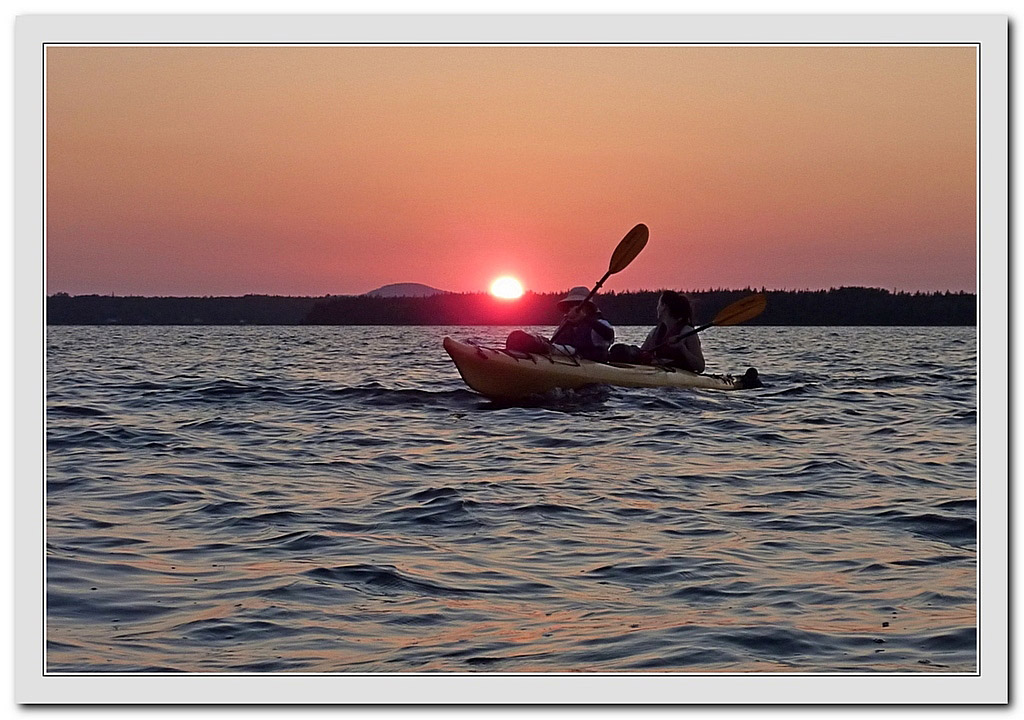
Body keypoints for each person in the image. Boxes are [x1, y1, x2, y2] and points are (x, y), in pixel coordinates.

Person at [505, 286, 615, 362]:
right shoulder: (565, 325)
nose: (572, 309)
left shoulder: (599, 323)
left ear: (588, 308)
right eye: (570, 306)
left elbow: (609, 335)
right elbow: (555, 344)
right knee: (517, 337)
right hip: (565, 356)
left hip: (589, 362)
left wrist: (585, 319)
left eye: (576, 305)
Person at [609, 290, 705, 373]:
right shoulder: (655, 332)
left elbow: (700, 367)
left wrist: (682, 347)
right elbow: (642, 353)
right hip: (660, 374)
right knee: (619, 350)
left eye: (659, 304)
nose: (657, 308)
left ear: (664, 306)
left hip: (680, 379)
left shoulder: (687, 332)